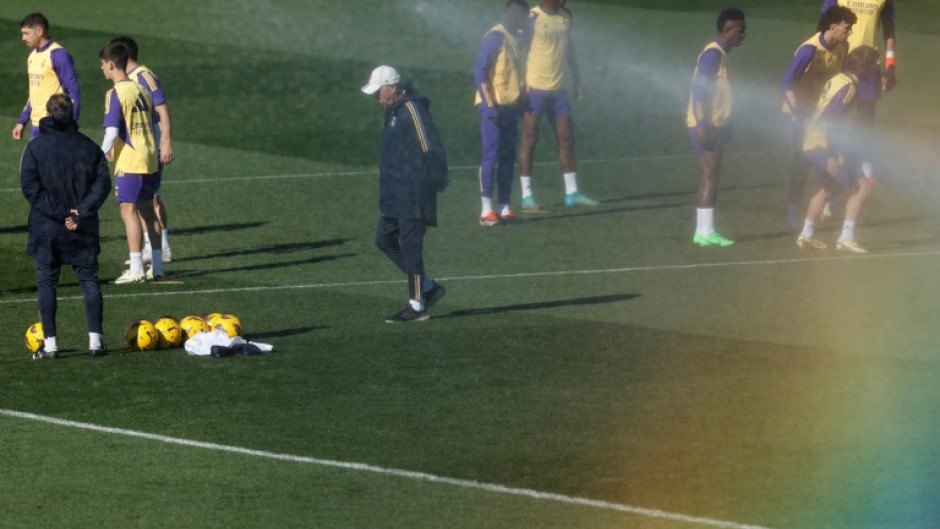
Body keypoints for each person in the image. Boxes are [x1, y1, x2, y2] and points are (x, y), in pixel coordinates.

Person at [20, 94, 111, 359]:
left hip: (47, 228)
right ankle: (96, 341)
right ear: (72, 114)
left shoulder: (36, 148)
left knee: (47, 282)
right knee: (89, 280)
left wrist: (60, 214)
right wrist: (79, 212)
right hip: (81, 227)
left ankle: (51, 345)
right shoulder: (90, 147)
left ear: (48, 114)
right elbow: (103, 184)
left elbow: (30, 187)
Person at [361, 65, 448, 323]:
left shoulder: (412, 109)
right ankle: (428, 287)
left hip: (413, 192)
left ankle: (417, 304)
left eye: (379, 91)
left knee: (410, 247)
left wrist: (435, 179)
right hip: (394, 193)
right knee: (384, 239)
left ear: (392, 87)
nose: (377, 97)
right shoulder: (393, 112)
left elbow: (429, 144)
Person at [796, 45, 881, 253]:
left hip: (812, 139)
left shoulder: (838, 79)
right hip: (825, 144)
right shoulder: (850, 87)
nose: (874, 71)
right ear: (864, 68)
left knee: (829, 188)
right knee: (862, 187)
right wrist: (832, 153)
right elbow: (830, 119)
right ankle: (846, 238)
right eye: (873, 66)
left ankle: (806, 235)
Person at [516, 0, 598, 212]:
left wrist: (576, 77)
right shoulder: (532, 17)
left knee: (566, 138)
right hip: (534, 90)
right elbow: (518, 49)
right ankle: (527, 196)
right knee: (529, 139)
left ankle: (572, 193)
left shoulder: (566, 16)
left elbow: (568, 45)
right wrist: (520, 84)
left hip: (558, 90)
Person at [782, 6, 857, 229]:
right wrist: (799, 114)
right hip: (800, 114)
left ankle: (823, 206)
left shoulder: (842, 47)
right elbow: (786, 83)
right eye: (847, 28)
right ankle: (793, 211)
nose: (850, 32)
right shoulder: (808, 51)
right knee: (803, 161)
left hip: (823, 114)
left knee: (834, 158)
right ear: (833, 28)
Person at [98, 41, 164, 284]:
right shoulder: (142, 90)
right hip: (149, 157)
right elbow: (154, 127)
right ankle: (157, 267)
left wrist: (97, 156)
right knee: (148, 209)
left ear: (112, 64)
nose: (102, 70)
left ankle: (136, 268)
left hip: (130, 160)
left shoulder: (115, 93)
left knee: (128, 210)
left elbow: (112, 132)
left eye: (103, 65)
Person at [820, 0, 896, 207]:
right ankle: (835, 168)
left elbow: (889, 30)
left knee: (866, 120)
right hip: (842, 61)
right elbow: (824, 23)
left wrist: (890, 65)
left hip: (869, 66)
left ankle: (865, 167)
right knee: (840, 118)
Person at [111, 36, 175, 264]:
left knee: (151, 197)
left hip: (150, 145)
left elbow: (163, 109)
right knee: (142, 199)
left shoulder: (144, 77)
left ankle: (161, 249)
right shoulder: (128, 80)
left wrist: (166, 141)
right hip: (139, 147)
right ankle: (155, 249)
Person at [686, 8, 746, 248]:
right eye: (741, 31)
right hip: (706, 125)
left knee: (710, 176)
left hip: (716, 125)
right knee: (711, 176)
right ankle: (705, 231)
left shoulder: (721, 54)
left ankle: (703, 231)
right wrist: (702, 123)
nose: (743, 35)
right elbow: (699, 89)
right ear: (728, 29)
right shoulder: (712, 54)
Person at [474, 0, 530, 227]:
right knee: (491, 156)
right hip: (494, 108)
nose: (525, 21)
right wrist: (489, 105)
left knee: (507, 158)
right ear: (512, 14)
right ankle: (486, 210)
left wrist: (522, 99)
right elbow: (479, 70)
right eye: (523, 16)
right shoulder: (495, 37)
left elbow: (514, 73)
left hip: (510, 107)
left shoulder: (514, 37)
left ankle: (504, 207)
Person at [12, 12, 81, 142]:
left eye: (26, 33)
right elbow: (35, 92)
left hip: (54, 125)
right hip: (37, 125)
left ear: (39, 31)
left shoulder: (58, 55)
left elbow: (73, 90)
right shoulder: (32, 55)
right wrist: (22, 121)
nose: (23, 38)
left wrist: (71, 123)